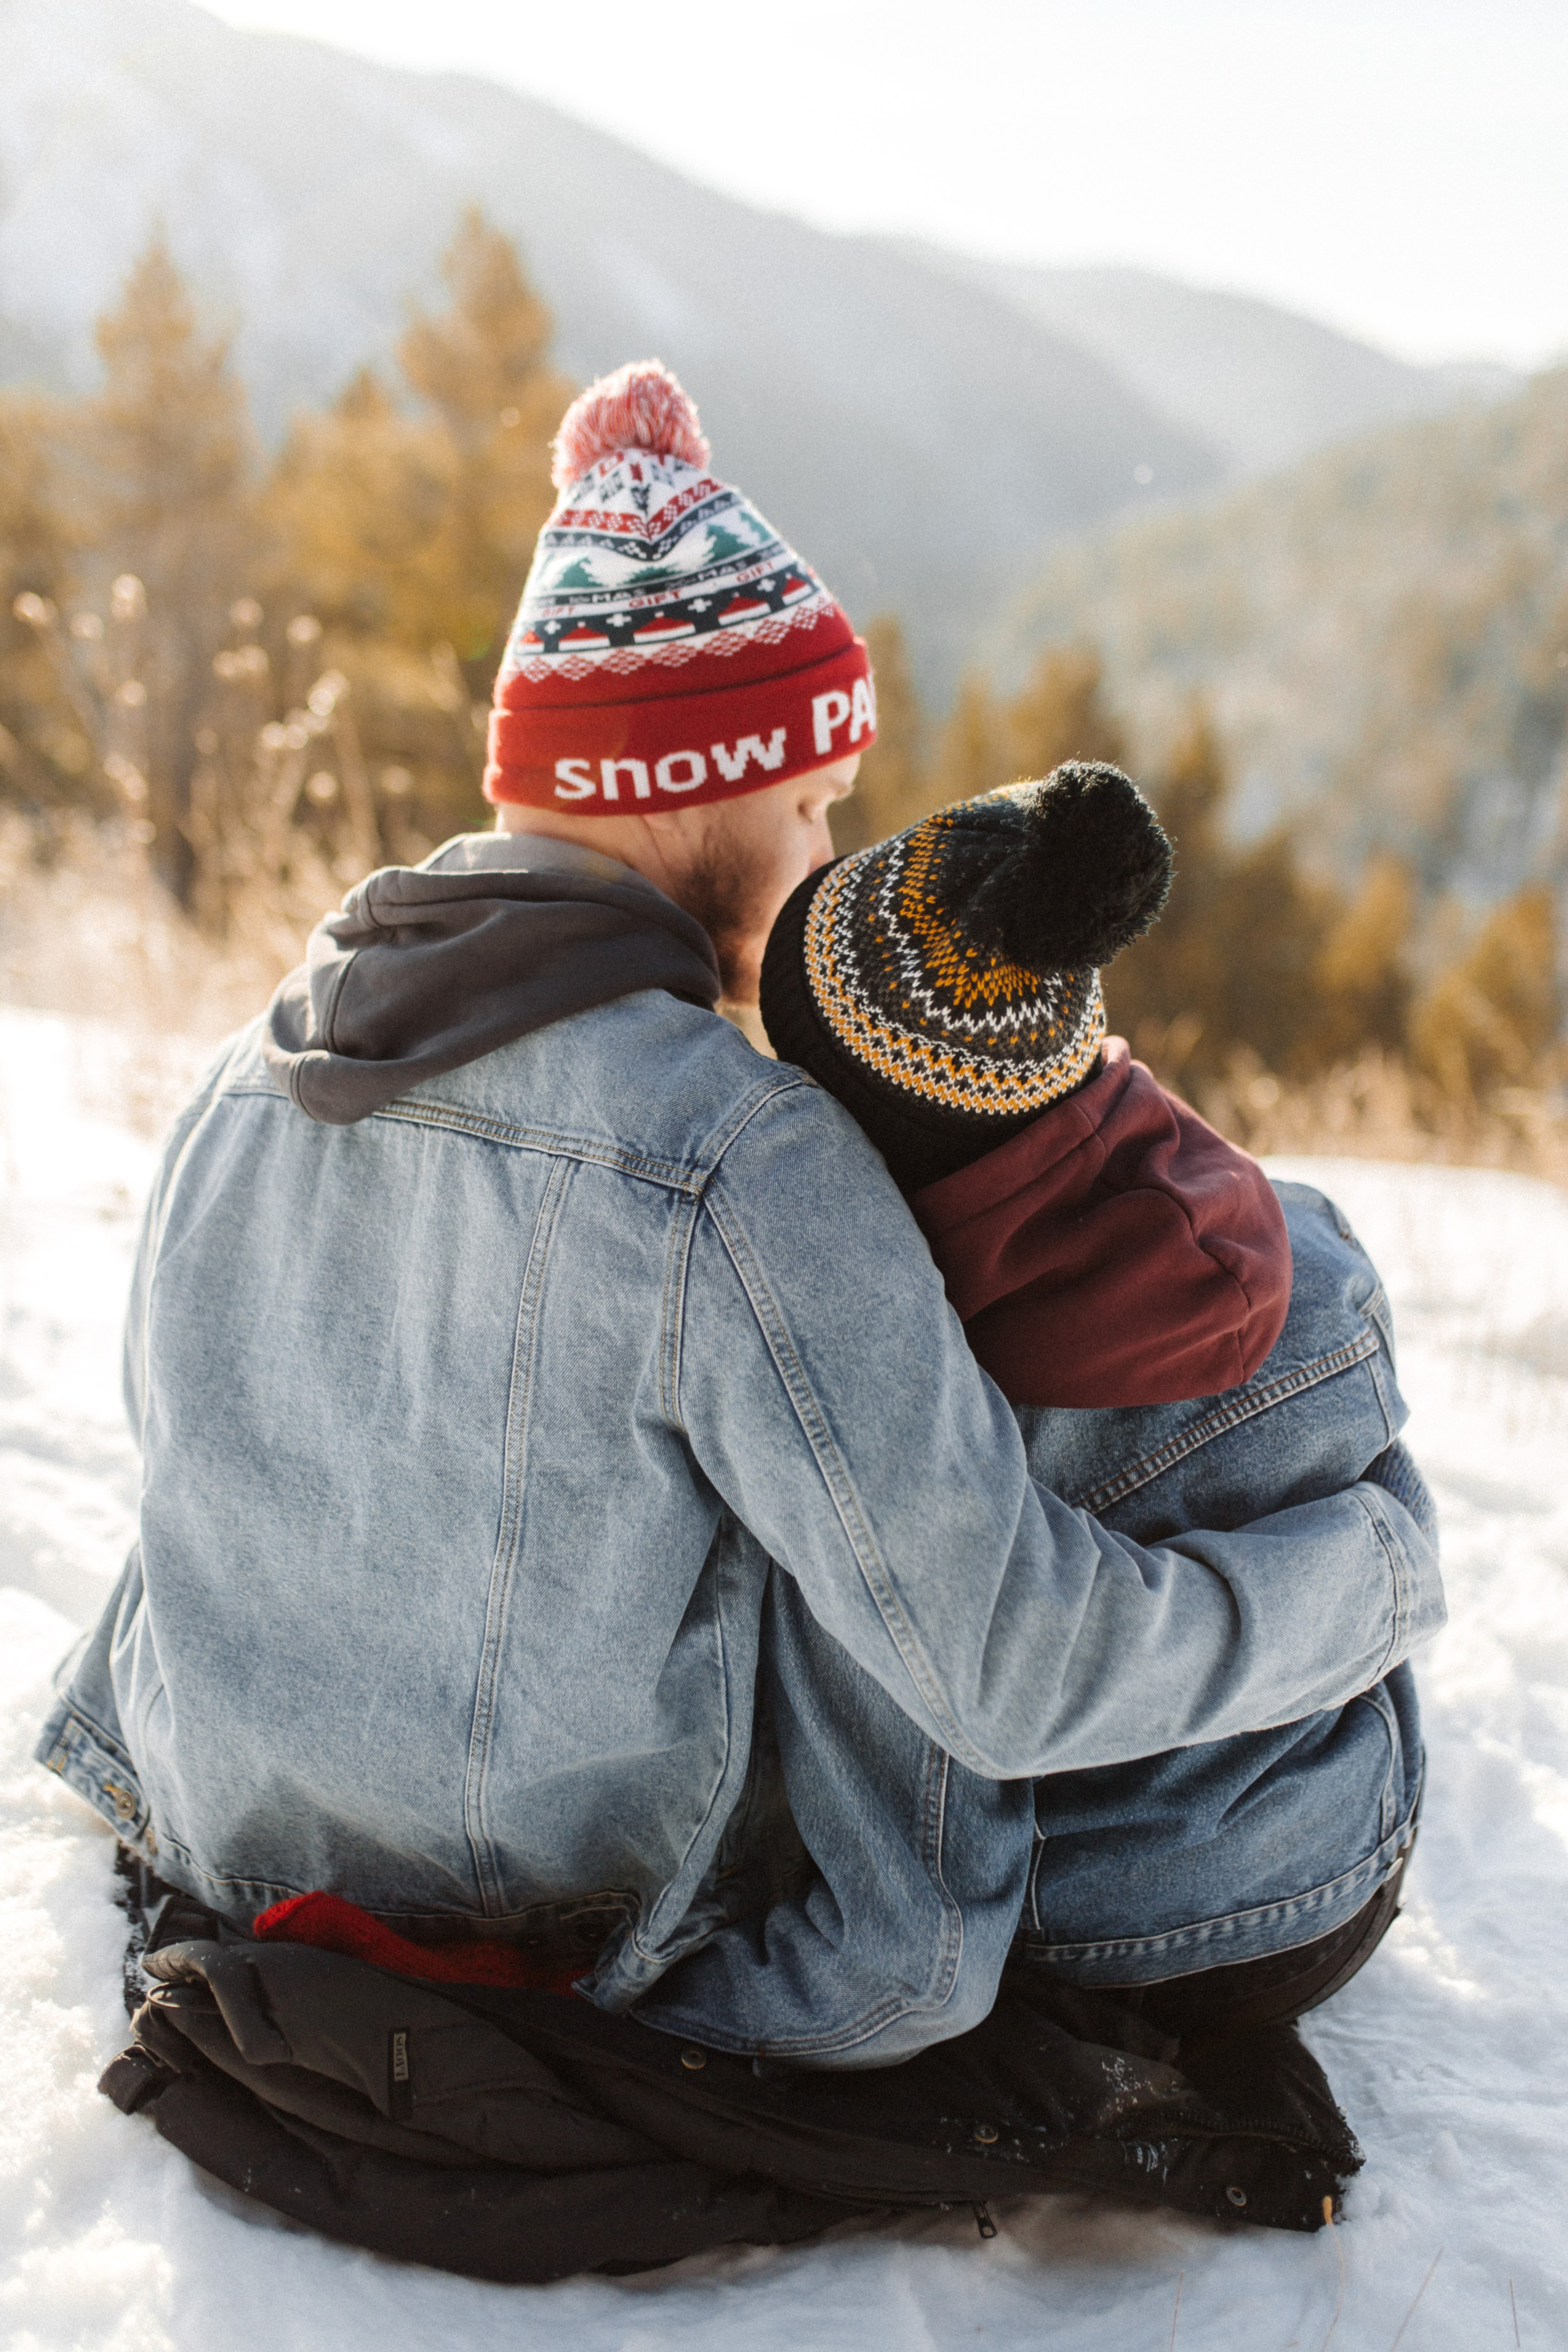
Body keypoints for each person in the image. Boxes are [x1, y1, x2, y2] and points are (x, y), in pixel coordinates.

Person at [38, 364, 1441, 2063]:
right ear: (691, 789)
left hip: (236, 1833)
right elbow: (1009, 1674)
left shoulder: (236, 1078)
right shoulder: (731, 1152)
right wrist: (1370, 1576)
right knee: (1305, 1314)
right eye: (811, 804)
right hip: (585, 1904)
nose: (825, 846)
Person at [633, 768, 1430, 2063]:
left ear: (862, 1128)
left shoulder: (934, 1401)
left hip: (1111, 1946)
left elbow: (921, 1853)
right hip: (1347, 1870)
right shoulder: (1313, 1245)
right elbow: (1373, 1539)